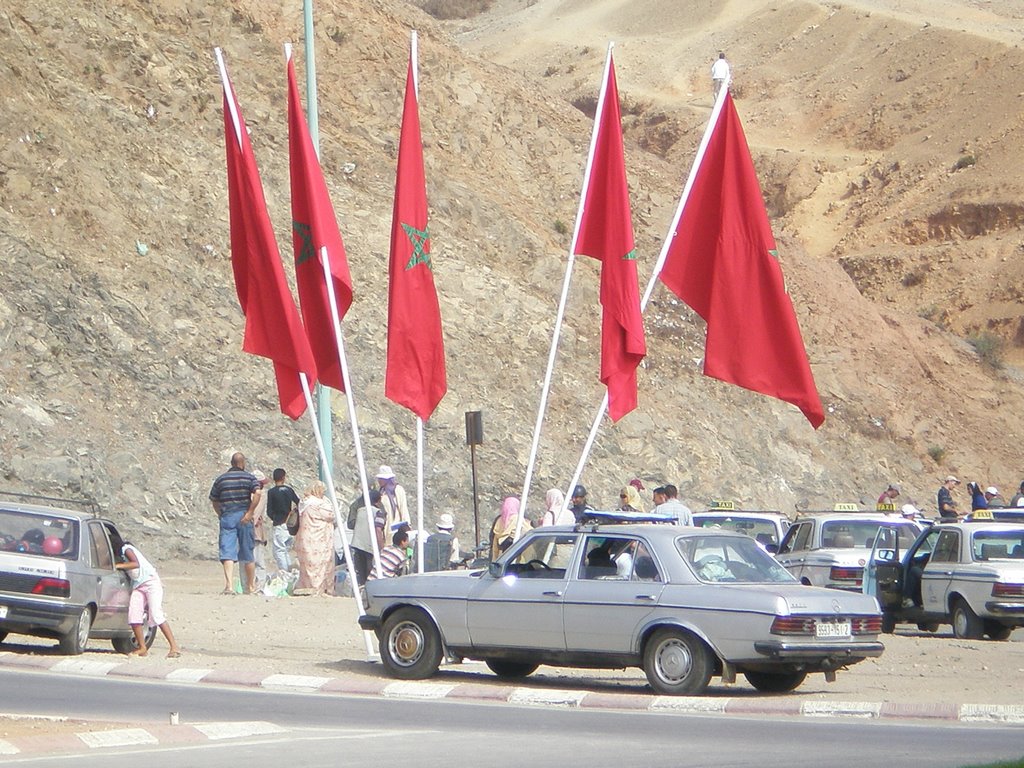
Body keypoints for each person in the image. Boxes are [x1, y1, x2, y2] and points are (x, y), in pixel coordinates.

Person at [114, 539, 181, 658]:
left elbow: (135, 564)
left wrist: (118, 566)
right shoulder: (122, 554)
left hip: (150, 583)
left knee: (156, 614)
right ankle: (142, 647)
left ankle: (174, 647)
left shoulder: (126, 549)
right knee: (134, 615)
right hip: (138, 585)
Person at [209, 452, 262, 595]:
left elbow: (214, 499)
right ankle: (251, 587)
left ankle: (229, 586)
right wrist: (250, 512)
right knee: (247, 552)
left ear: (232, 463)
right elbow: (258, 493)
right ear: (242, 463)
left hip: (228, 516)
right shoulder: (249, 478)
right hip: (244, 515)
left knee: (227, 551)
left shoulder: (221, 479)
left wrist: (220, 513)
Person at [293, 482, 337, 597]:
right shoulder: (319, 504)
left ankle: (306, 587)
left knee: (308, 565)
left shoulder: (304, 502)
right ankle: (318, 588)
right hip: (319, 539)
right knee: (319, 564)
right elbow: (331, 515)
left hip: (305, 538)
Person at [266, 468, 300, 573]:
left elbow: (269, 510)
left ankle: (285, 573)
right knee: (286, 551)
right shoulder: (289, 490)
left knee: (279, 551)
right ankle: (290, 571)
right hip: (290, 525)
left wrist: (275, 518)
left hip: (279, 524)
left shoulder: (271, 492)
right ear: (283, 477)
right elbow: (299, 502)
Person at [350, 489, 386, 587]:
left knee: (360, 574)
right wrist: (382, 548)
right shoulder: (378, 512)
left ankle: (361, 592)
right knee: (370, 575)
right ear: (378, 501)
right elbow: (378, 531)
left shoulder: (360, 510)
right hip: (369, 547)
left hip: (357, 545)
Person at [376, 465, 410, 535]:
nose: (379, 480)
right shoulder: (381, 492)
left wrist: (407, 526)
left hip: (395, 529)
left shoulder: (398, 490)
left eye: (381, 478)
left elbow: (403, 508)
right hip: (385, 529)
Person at [251, 470, 270, 589]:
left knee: (254, 560)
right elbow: (256, 514)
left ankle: (254, 585)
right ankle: (258, 585)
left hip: (254, 530)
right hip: (255, 530)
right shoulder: (260, 495)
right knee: (258, 560)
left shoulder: (258, 495)